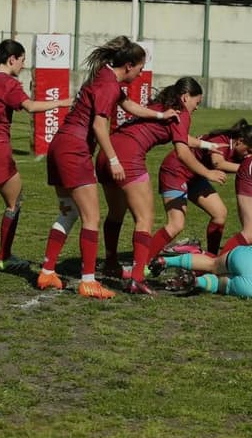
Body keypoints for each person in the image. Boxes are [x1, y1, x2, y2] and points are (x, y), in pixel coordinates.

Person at [35, 35, 170, 299]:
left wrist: (160, 115)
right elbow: (99, 126)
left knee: (68, 213)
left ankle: (47, 271)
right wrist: (114, 159)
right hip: (75, 150)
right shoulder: (108, 86)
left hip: (59, 146)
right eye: (140, 68)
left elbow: (130, 106)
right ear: (129, 65)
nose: (141, 73)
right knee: (92, 218)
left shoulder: (106, 79)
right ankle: (88, 281)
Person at [0, 39, 72, 275]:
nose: (23, 65)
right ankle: (4, 257)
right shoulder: (8, 83)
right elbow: (30, 106)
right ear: (12, 59)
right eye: (22, 60)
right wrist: (63, 102)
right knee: (14, 202)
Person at [96, 77, 225, 295]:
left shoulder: (163, 106)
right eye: (196, 102)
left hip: (106, 155)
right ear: (185, 98)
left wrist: (206, 144)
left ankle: (111, 262)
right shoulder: (182, 112)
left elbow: (182, 137)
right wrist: (207, 172)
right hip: (129, 156)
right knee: (144, 219)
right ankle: (137, 278)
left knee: (116, 214)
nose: (196, 108)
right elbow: (182, 152)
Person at [151, 119, 252, 259]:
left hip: (195, 176)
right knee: (176, 224)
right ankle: (143, 261)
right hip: (175, 171)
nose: (248, 155)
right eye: (248, 151)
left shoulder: (239, 150)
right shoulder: (221, 140)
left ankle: (211, 258)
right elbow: (218, 163)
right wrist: (249, 168)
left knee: (220, 214)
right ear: (239, 141)